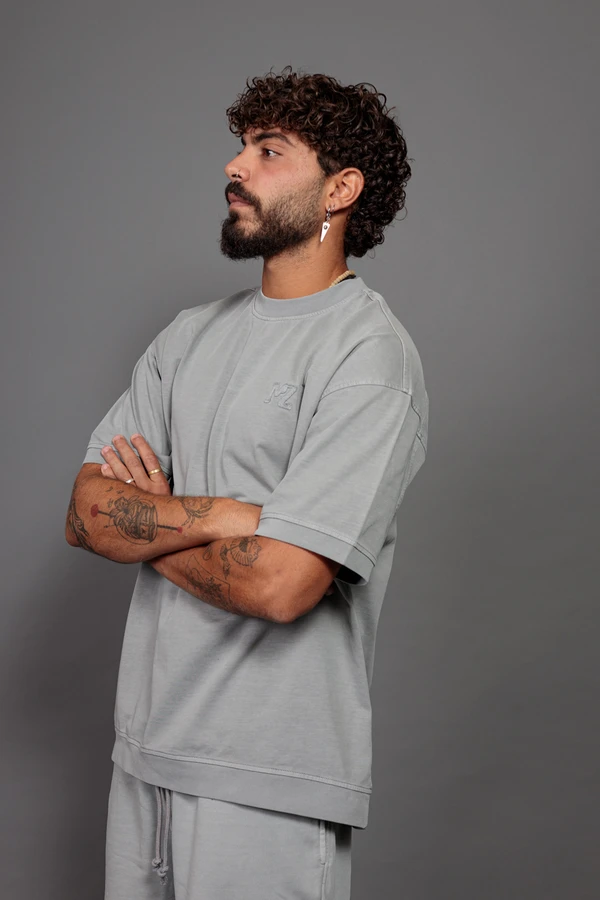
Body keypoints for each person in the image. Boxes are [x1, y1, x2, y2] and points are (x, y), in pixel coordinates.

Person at [65, 66, 429, 900]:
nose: (235, 167)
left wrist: (148, 522)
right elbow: (85, 514)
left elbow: (282, 584)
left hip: (268, 779)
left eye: (270, 151)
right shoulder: (188, 337)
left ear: (340, 189)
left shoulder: (369, 356)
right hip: (143, 757)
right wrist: (228, 515)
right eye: (240, 148)